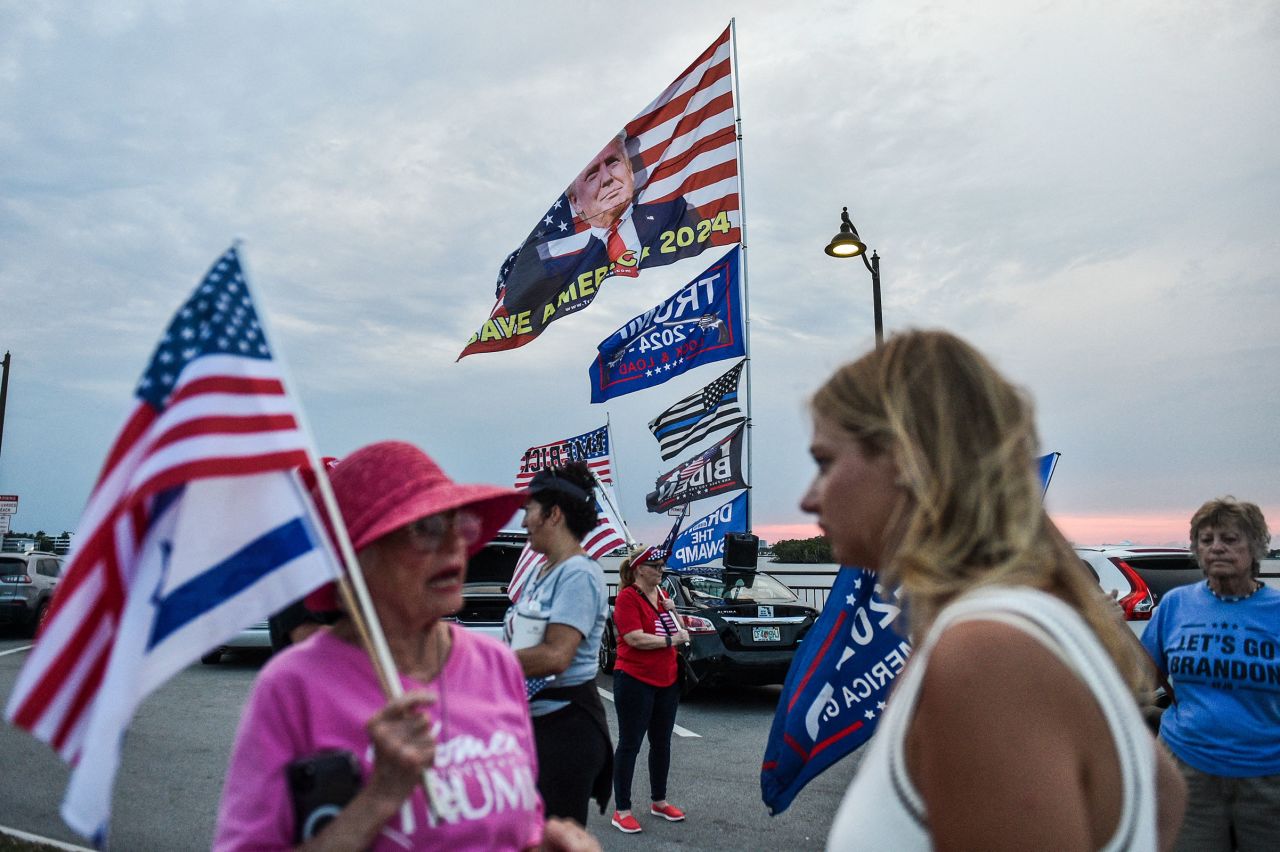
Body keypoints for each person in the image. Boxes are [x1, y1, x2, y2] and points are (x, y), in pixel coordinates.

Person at [803, 330, 1186, 851]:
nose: (808, 499)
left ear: (910, 460)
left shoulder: (987, 651)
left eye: (825, 463)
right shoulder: (1030, 624)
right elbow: (1163, 801)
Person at [213, 441, 599, 852]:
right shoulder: (291, 687)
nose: (456, 545)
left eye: (458, 523)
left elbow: (520, 831)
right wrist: (379, 797)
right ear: (358, 555)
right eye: (427, 528)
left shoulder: (496, 666)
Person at [1141, 497, 1279, 851]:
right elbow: (1142, 678)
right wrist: (1107, 626)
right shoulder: (1176, 605)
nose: (1216, 547)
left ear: (1256, 547)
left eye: (1230, 539)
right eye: (1206, 539)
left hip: (1268, 777)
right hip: (1188, 769)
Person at [499, 132, 706, 321]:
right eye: (592, 175)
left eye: (613, 162)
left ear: (630, 169)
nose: (607, 179)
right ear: (575, 201)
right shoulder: (548, 256)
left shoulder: (678, 212)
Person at [509, 461, 613, 826]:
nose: (523, 523)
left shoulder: (579, 574)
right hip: (536, 719)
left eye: (529, 511)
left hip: (567, 728)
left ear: (553, 514)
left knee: (554, 838)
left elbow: (556, 656)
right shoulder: (544, 569)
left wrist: (482, 663)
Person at [608, 544, 690, 834]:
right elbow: (634, 638)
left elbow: (679, 633)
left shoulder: (663, 595)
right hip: (634, 679)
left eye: (662, 566)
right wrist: (672, 641)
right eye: (655, 566)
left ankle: (659, 800)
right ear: (640, 569)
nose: (661, 570)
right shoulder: (628, 598)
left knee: (662, 743)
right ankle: (622, 810)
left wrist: (674, 612)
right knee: (630, 744)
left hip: (666, 680)